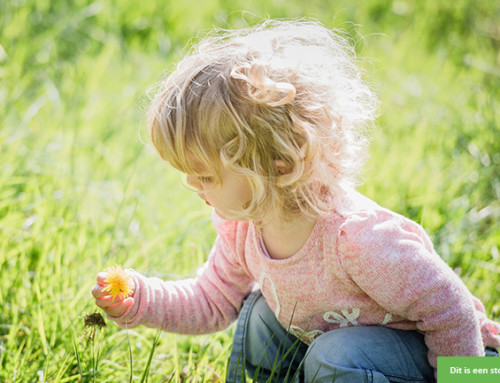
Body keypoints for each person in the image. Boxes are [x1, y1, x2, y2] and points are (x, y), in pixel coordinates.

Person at [91, 19, 500, 382]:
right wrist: (140, 299)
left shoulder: (357, 241)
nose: (192, 186)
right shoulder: (243, 229)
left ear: (280, 166)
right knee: (260, 317)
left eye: (206, 175)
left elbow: (452, 310)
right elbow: (211, 300)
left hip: (453, 359)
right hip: (357, 356)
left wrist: (469, 377)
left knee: (335, 355)